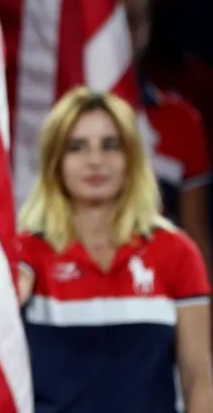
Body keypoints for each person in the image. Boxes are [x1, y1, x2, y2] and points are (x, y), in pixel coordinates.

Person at [16, 87, 213, 412]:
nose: (96, 160)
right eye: (77, 147)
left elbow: (199, 381)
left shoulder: (177, 252)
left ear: (132, 158)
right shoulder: (28, 250)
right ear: (55, 161)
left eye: (111, 145)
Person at [113, 0, 211, 276]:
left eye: (128, 20)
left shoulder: (182, 120)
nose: (114, 31)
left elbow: (196, 234)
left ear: (145, 29)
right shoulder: (50, 118)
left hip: (157, 292)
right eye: (106, 16)